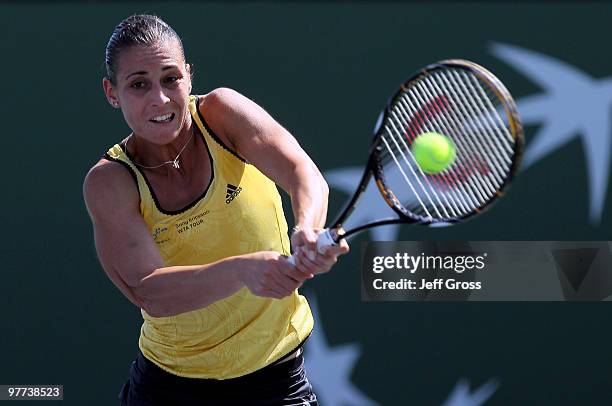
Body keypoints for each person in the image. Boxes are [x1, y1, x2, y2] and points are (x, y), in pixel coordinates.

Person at [83, 14, 349, 406]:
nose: (159, 99)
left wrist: (306, 229)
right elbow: (151, 291)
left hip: (276, 379)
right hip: (170, 389)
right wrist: (244, 270)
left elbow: (301, 171)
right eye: (138, 84)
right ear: (112, 92)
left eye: (170, 78)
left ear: (189, 76)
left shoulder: (222, 115)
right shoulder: (110, 182)